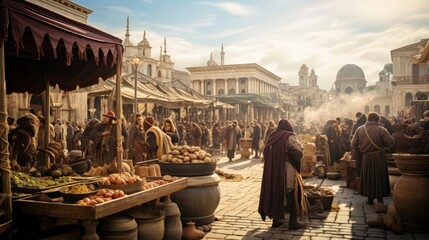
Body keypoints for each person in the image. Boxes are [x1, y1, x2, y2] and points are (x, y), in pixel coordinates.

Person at [258, 119, 307, 229]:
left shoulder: (272, 135)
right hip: (286, 168)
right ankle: (293, 222)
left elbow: (266, 150)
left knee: (276, 191)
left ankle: (276, 220)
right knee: (291, 192)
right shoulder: (289, 136)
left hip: (274, 169)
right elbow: (298, 151)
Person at [351, 112, 395, 205]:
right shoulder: (381, 129)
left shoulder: (360, 129)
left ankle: (370, 199)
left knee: (368, 177)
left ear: (368, 119)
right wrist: (384, 147)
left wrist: (361, 149)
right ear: (377, 119)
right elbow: (391, 142)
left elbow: (353, 144)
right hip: (379, 156)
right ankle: (380, 199)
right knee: (380, 176)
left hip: (366, 157)